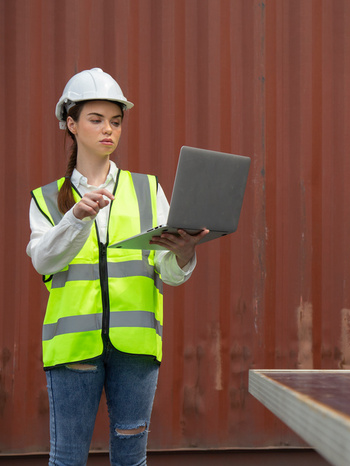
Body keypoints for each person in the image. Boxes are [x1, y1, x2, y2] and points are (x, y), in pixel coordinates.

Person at [27, 68, 209, 465]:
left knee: (131, 460)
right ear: (71, 124)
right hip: (72, 349)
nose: (108, 129)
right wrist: (75, 218)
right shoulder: (45, 199)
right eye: (96, 120)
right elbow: (44, 260)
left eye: (116, 121)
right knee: (67, 460)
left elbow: (168, 272)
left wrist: (184, 252)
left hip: (136, 349)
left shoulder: (147, 189)